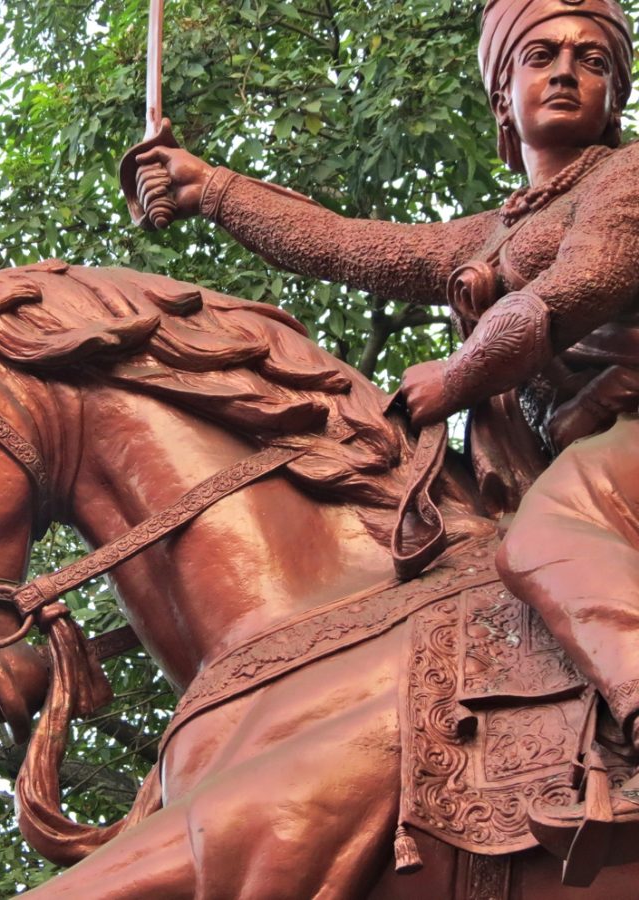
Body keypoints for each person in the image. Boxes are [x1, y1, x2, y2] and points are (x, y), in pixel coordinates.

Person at [131, 0, 639, 878]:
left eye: (592, 61)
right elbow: (345, 243)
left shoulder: (627, 181)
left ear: (613, 94)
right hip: (564, 451)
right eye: (542, 57)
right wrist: (207, 187)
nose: (566, 71)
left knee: (549, 536)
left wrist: (458, 375)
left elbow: (577, 289)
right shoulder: (494, 231)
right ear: (502, 99)